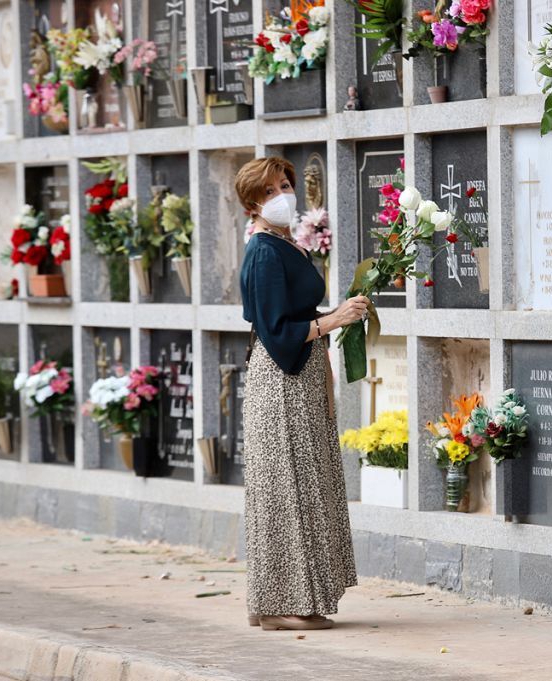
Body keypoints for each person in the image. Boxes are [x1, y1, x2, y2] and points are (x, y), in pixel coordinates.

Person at [235, 156, 368, 631]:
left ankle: (291, 599)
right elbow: (274, 329)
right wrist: (335, 319)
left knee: (302, 483)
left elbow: (297, 311)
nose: (282, 194)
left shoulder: (284, 243)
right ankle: (278, 605)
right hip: (282, 380)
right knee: (288, 486)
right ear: (253, 203)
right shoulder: (264, 250)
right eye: (270, 190)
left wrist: (340, 313)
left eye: (285, 184)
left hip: (303, 374)